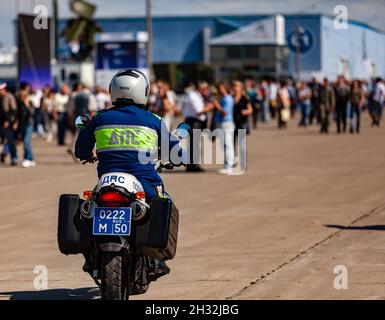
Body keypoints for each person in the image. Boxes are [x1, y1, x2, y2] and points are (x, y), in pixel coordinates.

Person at [75, 68, 181, 278]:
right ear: (142, 91)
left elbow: (80, 150)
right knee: (163, 202)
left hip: (107, 181)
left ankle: (90, 257)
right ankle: (156, 260)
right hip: (144, 182)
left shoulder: (100, 118)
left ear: (113, 90)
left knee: (87, 209)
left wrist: (90, 154)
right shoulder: (153, 120)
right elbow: (176, 152)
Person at [182, 81, 212, 172]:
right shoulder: (193, 96)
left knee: (194, 144)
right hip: (193, 122)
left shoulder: (198, 96)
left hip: (196, 122)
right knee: (193, 144)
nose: (207, 91)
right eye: (206, 89)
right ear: (201, 89)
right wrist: (210, 106)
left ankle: (193, 164)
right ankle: (192, 166)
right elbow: (199, 111)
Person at [213, 83, 235, 174]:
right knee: (223, 145)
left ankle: (230, 165)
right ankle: (226, 164)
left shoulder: (228, 99)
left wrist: (216, 105)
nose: (220, 90)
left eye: (222, 88)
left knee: (228, 144)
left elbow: (225, 112)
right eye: (219, 88)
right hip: (220, 123)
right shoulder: (222, 98)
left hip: (226, 123)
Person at [232, 80, 252, 170]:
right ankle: (233, 162)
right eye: (234, 87)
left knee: (242, 144)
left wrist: (246, 111)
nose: (236, 88)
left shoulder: (244, 98)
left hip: (242, 123)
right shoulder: (231, 98)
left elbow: (250, 109)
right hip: (232, 123)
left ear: (241, 88)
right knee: (231, 144)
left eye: (237, 86)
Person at [16, 82, 36, 168]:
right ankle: (28, 158)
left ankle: (29, 158)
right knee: (24, 141)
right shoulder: (19, 104)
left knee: (26, 141)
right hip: (22, 124)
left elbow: (32, 113)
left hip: (29, 124)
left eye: (23, 96)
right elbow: (18, 114)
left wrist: (27, 105)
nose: (22, 98)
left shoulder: (29, 102)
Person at [0, 82, 18, 165]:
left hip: (8, 122)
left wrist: (9, 121)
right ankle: (4, 152)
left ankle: (14, 158)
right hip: (2, 122)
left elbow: (14, 110)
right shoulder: (1, 97)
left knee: (11, 141)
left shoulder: (9, 96)